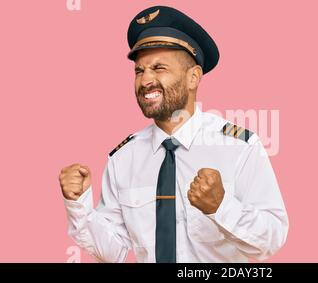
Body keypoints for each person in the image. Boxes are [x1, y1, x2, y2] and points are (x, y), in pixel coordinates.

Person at [59, 5, 288, 263]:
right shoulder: (123, 158)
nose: (146, 81)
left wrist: (221, 207)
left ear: (193, 78)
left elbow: (272, 239)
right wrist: (78, 204)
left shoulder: (239, 147)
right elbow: (115, 252)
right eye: (139, 70)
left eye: (159, 68)